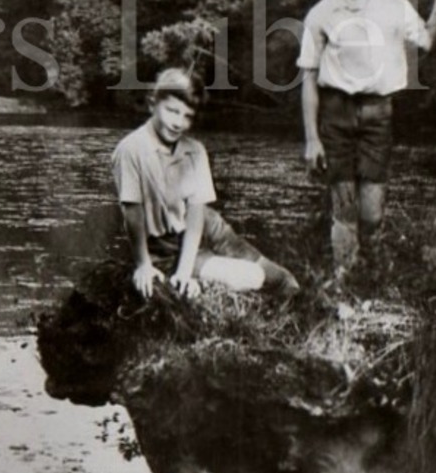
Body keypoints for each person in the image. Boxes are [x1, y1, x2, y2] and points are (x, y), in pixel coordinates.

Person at [297, 0, 436, 272]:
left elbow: (427, 40)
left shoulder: (393, 4)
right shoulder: (322, 13)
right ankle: (344, 285)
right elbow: (308, 77)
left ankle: (372, 275)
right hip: (335, 115)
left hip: (378, 114)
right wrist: (312, 139)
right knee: (344, 211)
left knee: (371, 211)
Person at [111, 67, 299, 300]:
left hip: (209, 228)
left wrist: (185, 271)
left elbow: (196, 214)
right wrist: (144, 264)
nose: (178, 123)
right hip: (166, 246)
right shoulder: (131, 149)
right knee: (251, 276)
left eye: (187, 116)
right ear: (152, 104)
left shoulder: (195, 151)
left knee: (283, 281)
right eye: (172, 111)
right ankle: (212, 281)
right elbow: (133, 213)